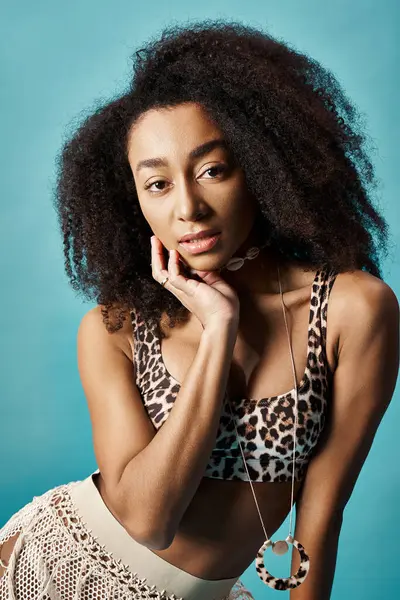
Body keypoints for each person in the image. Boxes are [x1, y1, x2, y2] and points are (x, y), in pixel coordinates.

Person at [0, 19, 398, 600]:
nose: (189, 207)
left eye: (213, 170)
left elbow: (322, 515)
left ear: (263, 166)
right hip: (55, 569)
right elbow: (148, 519)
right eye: (156, 184)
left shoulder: (353, 310)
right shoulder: (113, 329)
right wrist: (218, 329)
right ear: (131, 199)